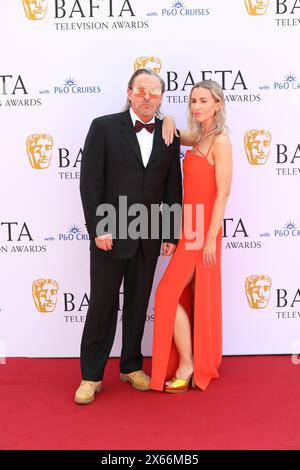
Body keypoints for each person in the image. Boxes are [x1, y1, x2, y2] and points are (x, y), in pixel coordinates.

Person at [75, 68, 182, 404]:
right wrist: (99, 227)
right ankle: (91, 376)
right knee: (103, 305)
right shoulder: (104, 127)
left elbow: (172, 186)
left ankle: (131, 366)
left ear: (162, 96)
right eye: (141, 90)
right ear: (130, 92)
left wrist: (170, 233)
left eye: (154, 91)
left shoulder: (170, 133)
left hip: (149, 233)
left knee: (138, 304)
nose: (148, 96)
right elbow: (90, 182)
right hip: (111, 230)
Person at [151, 80, 232, 393]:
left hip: (203, 232)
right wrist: (168, 118)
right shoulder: (200, 136)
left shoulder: (221, 142)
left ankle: (188, 362)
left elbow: (223, 193)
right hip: (190, 227)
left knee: (166, 294)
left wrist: (211, 237)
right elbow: (176, 135)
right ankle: (191, 359)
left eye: (203, 101)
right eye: (193, 101)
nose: (196, 106)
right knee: (177, 295)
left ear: (218, 104)